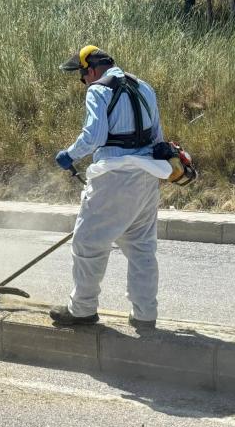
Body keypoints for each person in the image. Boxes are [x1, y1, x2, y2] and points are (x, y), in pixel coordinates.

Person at [51, 45, 171, 330]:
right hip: (147, 177)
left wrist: (69, 154)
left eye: (82, 77)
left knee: (87, 243)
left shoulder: (98, 90)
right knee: (141, 247)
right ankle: (145, 314)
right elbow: (158, 137)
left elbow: (94, 136)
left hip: (115, 176)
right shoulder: (144, 87)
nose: (83, 83)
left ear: (90, 70)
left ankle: (82, 310)